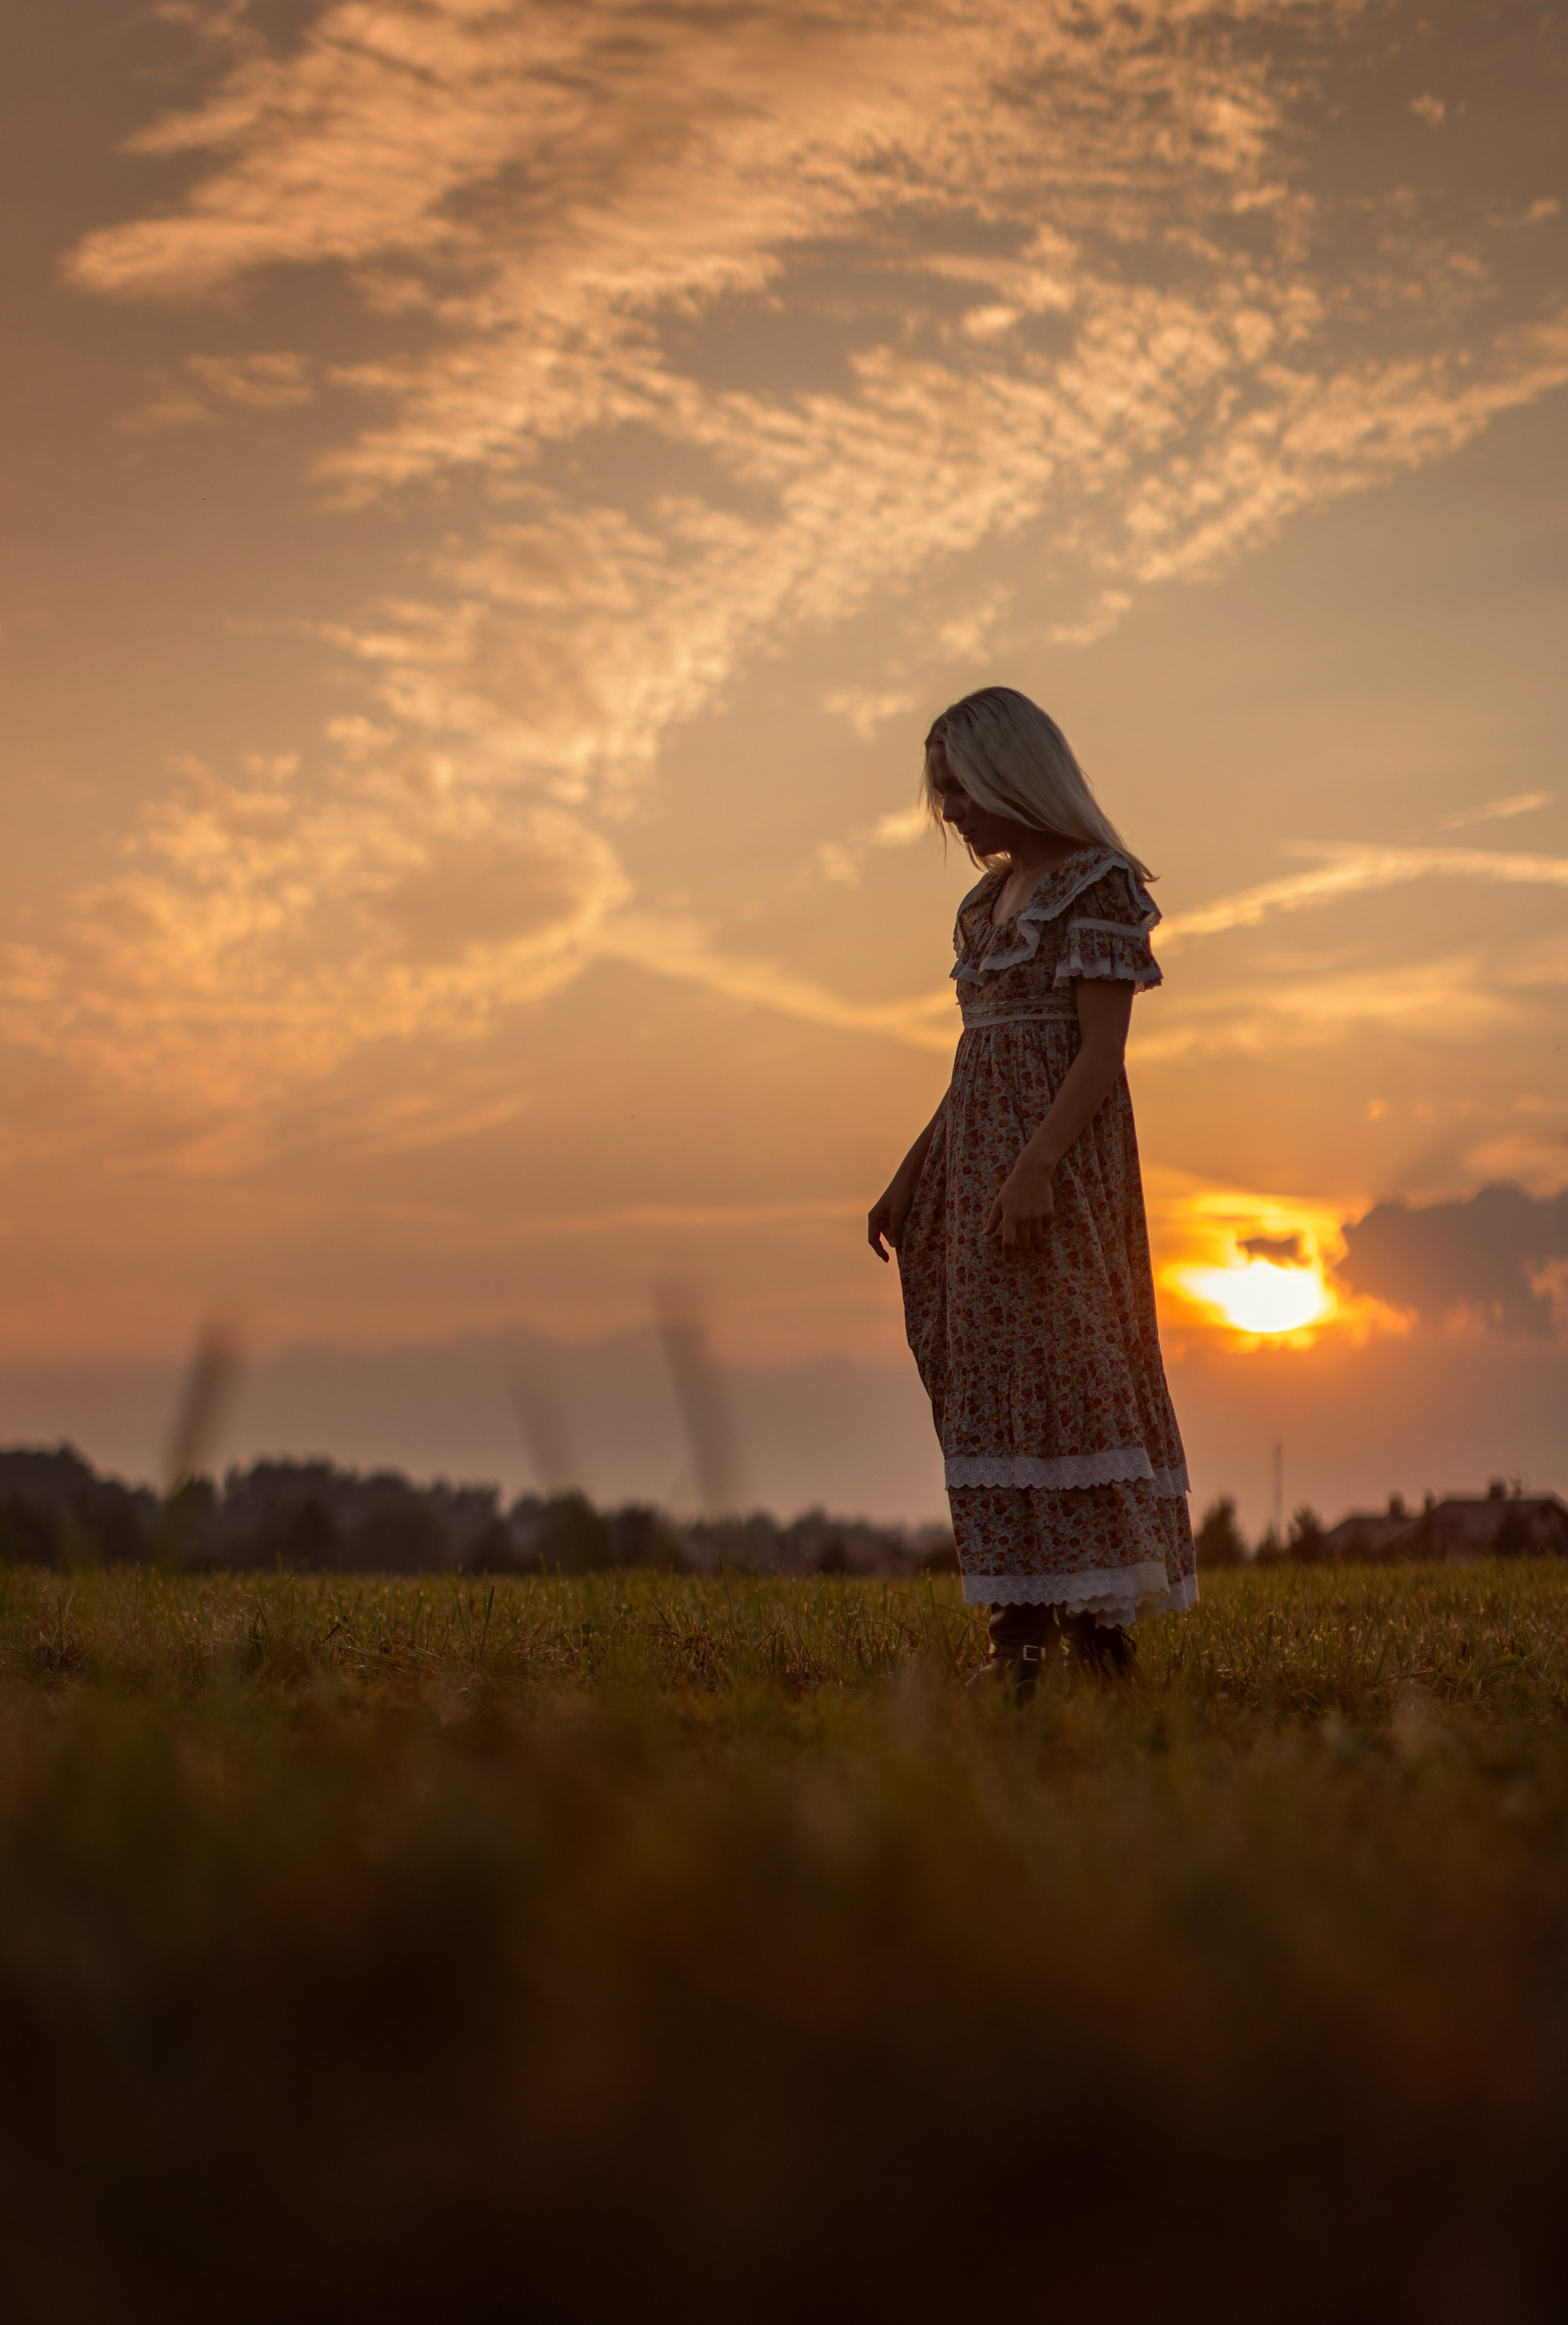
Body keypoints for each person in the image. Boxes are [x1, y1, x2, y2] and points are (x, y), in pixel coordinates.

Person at [867, 686, 1194, 1690]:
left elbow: (1100, 1055)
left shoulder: (1096, 888)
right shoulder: (984, 907)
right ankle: (1018, 1628)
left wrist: (1036, 1170)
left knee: (1072, 1367)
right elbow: (977, 1062)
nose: (951, 811)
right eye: (942, 792)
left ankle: (1101, 1631)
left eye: (960, 786)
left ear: (1012, 773)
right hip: (974, 1165)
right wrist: (913, 1171)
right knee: (992, 1382)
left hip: (1056, 1171)